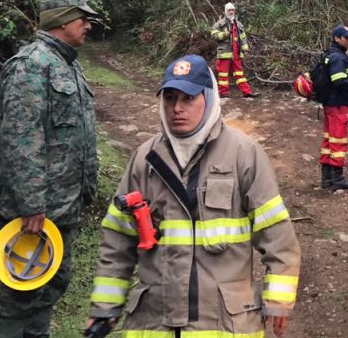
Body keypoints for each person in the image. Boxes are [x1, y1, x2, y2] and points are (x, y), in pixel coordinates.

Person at [87, 55, 301, 338]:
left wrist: (277, 300)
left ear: (209, 98)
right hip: (154, 325)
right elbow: (117, 239)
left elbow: (277, 235)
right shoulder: (145, 159)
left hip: (224, 325)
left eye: (188, 98)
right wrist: (106, 306)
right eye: (170, 98)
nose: (177, 108)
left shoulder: (243, 154)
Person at [0, 0, 101, 338]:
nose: (88, 24)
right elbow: (22, 140)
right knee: (19, 298)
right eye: (82, 17)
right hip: (35, 214)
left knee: (49, 291)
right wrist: (32, 204)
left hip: (63, 207)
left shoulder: (68, 63)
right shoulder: (29, 66)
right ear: (62, 20)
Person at [320, 24, 348, 190]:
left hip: (330, 103)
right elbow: (339, 80)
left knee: (329, 139)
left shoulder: (331, 54)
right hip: (337, 104)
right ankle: (337, 179)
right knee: (338, 140)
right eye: (346, 37)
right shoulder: (338, 57)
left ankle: (327, 178)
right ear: (337, 38)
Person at [211, 2, 258, 98]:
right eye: (229, 10)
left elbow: (243, 37)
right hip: (225, 53)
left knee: (240, 73)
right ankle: (223, 93)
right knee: (223, 74)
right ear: (225, 11)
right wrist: (224, 34)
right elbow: (213, 35)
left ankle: (247, 92)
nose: (231, 12)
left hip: (236, 53)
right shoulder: (219, 24)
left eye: (232, 10)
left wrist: (245, 48)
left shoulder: (238, 24)